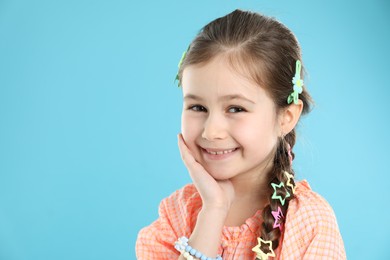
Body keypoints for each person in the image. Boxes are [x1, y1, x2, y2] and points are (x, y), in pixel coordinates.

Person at [136, 9, 346, 260]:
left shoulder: (309, 223)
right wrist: (213, 211)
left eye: (236, 108)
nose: (211, 131)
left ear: (286, 117)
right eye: (198, 107)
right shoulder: (176, 214)